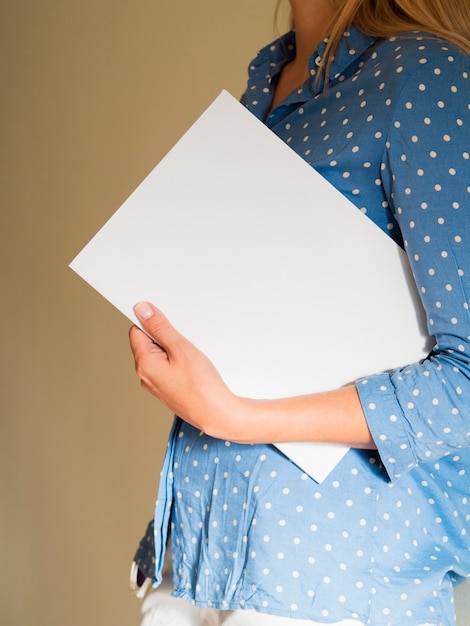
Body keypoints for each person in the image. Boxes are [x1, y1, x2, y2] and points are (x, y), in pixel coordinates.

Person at [129, 0, 470, 624]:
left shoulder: (426, 77)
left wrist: (230, 414)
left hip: (325, 587)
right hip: (193, 564)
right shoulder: (266, 86)